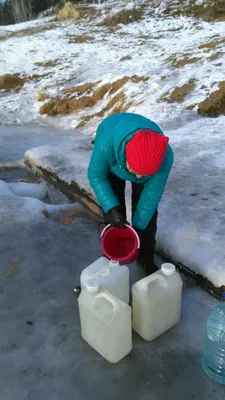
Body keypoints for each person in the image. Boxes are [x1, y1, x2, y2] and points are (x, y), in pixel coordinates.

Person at [88, 112, 174, 275]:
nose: (138, 177)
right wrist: (112, 208)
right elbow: (96, 176)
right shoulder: (106, 145)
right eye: (135, 171)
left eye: (144, 174)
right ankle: (112, 258)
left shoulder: (165, 159)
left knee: (147, 218)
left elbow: (150, 198)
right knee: (114, 212)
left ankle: (146, 259)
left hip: (143, 162)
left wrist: (139, 228)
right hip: (114, 155)